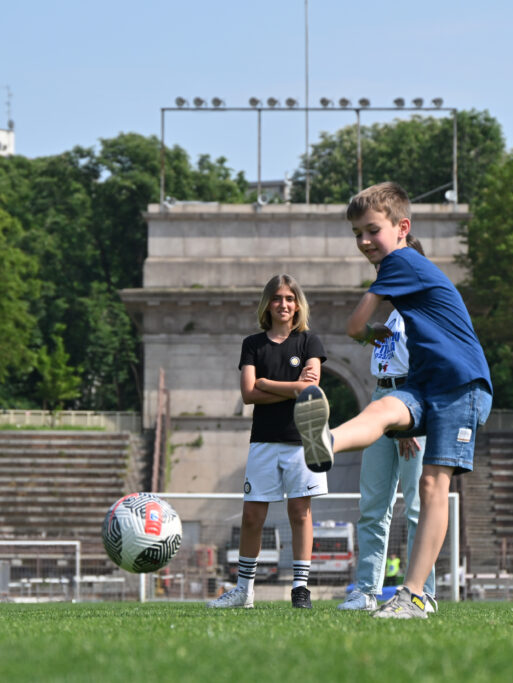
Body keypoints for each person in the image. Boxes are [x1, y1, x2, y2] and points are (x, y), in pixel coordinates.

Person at [294, 182, 492, 619]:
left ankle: (415, 595)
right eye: (357, 235)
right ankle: (326, 441)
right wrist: (376, 334)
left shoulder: (401, 261)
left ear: (402, 228)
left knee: (431, 485)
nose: (364, 242)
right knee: (381, 409)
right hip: (425, 384)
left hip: (462, 386)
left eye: (371, 231)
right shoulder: (402, 266)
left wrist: (369, 332)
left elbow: (353, 324)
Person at [208, 274, 328, 610]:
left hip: (304, 439)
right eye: (277, 298)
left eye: (290, 298)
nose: (284, 304)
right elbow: (248, 394)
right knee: (251, 517)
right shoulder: (253, 344)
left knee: (300, 512)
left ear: (297, 304)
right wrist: (289, 387)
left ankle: (300, 589)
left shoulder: (309, 342)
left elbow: (311, 387)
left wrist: (266, 383)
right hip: (263, 441)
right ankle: (244, 591)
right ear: (268, 304)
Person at [337, 236, 436, 612]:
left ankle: (421, 591)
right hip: (382, 397)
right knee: (373, 505)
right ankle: (365, 590)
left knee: (416, 507)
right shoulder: (395, 315)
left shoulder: (426, 313)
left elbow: (427, 370)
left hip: (408, 403)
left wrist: (408, 422)